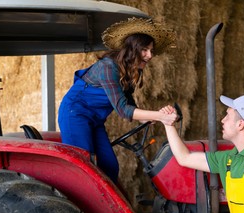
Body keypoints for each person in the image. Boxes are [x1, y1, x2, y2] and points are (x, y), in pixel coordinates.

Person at [58, 18, 178, 184]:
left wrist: (154, 116)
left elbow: (129, 104)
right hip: (75, 115)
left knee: (110, 166)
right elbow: (123, 109)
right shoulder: (108, 67)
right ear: (132, 48)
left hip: (95, 120)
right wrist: (158, 116)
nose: (150, 55)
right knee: (84, 166)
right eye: (144, 50)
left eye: (151, 50)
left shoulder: (129, 71)